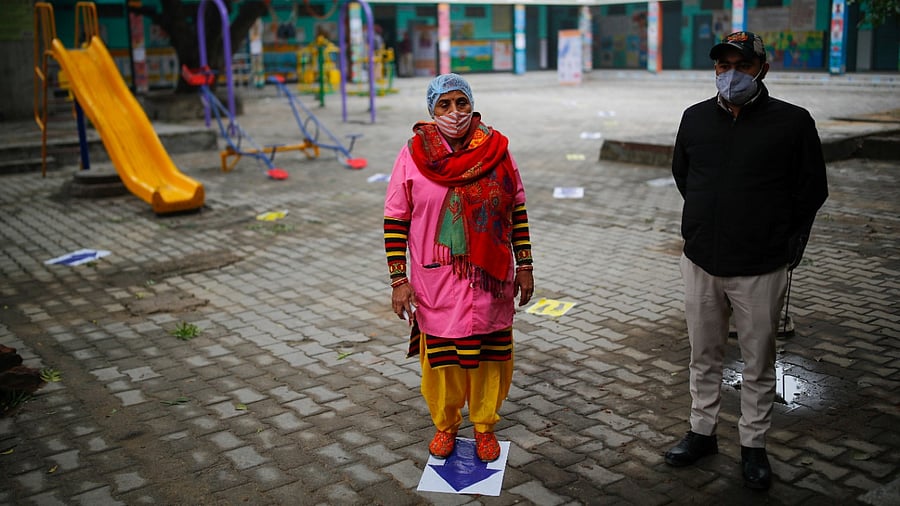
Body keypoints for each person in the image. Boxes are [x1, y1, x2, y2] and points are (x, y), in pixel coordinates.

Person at [666, 32, 828, 490]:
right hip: (701, 260)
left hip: (761, 266)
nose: (730, 74)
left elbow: (811, 189)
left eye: (741, 65)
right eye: (722, 66)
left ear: (762, 68)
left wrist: (784, 239)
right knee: (704, 354)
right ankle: (701, 433)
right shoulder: (694, 119)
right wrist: (704, 223)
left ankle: (753, 446)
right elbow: (684, 175)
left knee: (758, 361)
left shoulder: (793, 123)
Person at [383, 73, 534, 463]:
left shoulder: (497, 150)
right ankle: (445, 425)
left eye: (460, 103)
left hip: (491, 277)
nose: (454, 112)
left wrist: (526, 265)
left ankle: (485, 426)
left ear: (472, 104)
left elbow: (516, 209)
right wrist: (399, 280)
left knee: (489, 356)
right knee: (442, 360)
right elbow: (396, 218)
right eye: (444, 105)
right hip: (437, 280)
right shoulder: (414, 155)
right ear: (431, 111)